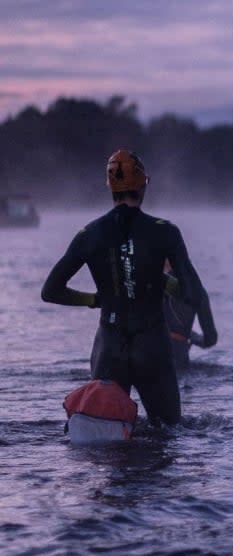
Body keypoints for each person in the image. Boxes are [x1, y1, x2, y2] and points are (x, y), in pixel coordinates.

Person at [41, 150, 217, 425]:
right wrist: (166, 284)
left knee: (108, 440)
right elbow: (193, 294)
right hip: (153, 347)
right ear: (144, 184)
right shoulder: (165, 231)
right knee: (167, 435)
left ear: (109, 187)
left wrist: (95, 299)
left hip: (109, 348)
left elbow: (50, 291)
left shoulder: (90, 233)